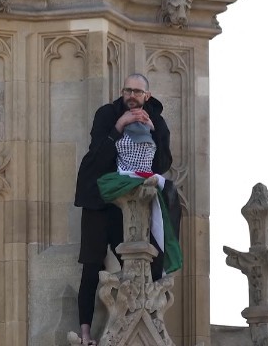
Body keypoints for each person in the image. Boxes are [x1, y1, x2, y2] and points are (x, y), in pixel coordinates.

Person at [72, 73, 174, 346]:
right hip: (98, 200)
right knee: (91, 266)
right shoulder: (107, 114)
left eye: (137, 92)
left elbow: (162, 163)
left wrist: (152, 130)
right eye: (128, 90)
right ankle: (85, 334)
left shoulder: (157, 120)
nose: (132, 96)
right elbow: (95, 159)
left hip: (130, 204)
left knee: (146, 259)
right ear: (122, 91)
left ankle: (150, 323)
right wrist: (119, 126)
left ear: (147, 96)